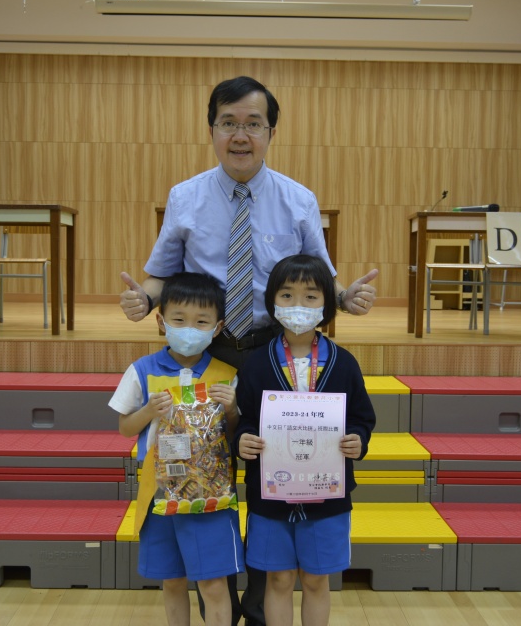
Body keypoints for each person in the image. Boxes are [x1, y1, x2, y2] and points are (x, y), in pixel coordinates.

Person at [118, 75, 379, 626]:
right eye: (229, 123)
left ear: (271, 132)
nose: (241, 135)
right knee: (204, 471)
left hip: (273, 356)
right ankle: (217, 601)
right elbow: (161, 274)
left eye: (253, 124)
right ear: (212, 129)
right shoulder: (185, 197)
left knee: (271, 479)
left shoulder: (298, 199)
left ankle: (261, 610)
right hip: (206, 353)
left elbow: (319, 276)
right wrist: (145, 298)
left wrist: (344, 297)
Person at [234, 254, 375, 626]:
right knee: (278, 579)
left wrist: (358, 440)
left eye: (310, 296)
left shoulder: (344, 363)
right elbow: (244, 419)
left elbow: (362, 418)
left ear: (327, 303)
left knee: (315, 580)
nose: (298, 304)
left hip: (327, 496)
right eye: (287, 295)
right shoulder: (255, 364)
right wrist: (243, 439)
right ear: (272, 301)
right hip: (269, 494)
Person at [108, 272, 245, 626]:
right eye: (179, 320)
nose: (189, 329)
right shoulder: (142, 370)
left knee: (214, 584)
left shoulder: (227, 374)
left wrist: (232, 408)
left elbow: (233, 437)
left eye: (201, 322)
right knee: (172, 581)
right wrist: (147, 412)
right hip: (159, 495)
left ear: (217, 328)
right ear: (161, 321)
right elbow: (125, 428)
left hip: (211, 496)